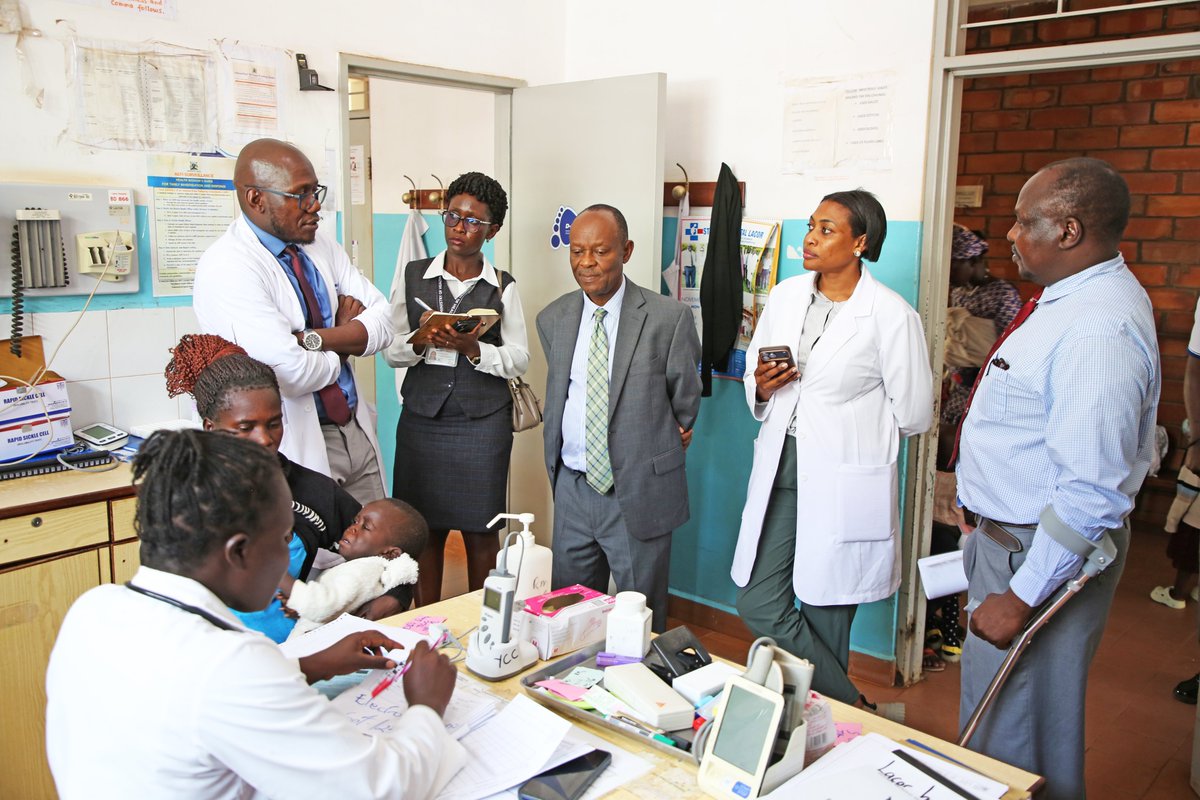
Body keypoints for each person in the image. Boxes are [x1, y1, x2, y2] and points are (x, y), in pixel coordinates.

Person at [45, 430, 463, 798]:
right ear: (239, 551)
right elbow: (379, 786)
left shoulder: (93, 610)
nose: (288, 557)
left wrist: (308, 665)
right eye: (284, 539)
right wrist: (425, 707)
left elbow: (184, 696)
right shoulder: (229, 666)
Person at [955, 158, 1160, 800]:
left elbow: (1092, 491)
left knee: (1011, 737)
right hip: (1010, 541)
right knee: (1014, 723)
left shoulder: (1097, 327)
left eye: (1024, 222)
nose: (1010, 235)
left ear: (1069, 230)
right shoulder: (1069, 298)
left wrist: (1020, 597)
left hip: (1036, 555)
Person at [730, 190, 932, 711]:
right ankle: (855, 707)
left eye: (827, 230)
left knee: (826, 609)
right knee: (759, 601)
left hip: (845, 477)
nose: (811, 239)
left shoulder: (891, 315)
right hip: (782, 464)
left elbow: (914, 413)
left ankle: (825, 726)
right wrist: (764, 384)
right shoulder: (786, 296)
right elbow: (754, 372)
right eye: (811, 226)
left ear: (860, 243)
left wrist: (851, 429)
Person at [165, 334, 409, 635]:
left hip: (290, 650)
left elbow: (393, 553)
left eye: (273, 423)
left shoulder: (313, 492)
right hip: (202, 647)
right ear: (210, 429)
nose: (265, 439)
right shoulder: (186, 493)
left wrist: (394, 597)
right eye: (245, 427)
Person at [194, 137, 392, 505]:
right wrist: (346, 341)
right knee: (318, 541)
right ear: (256, 199)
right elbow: (289, 372)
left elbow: (384, 323)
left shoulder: (320, 245)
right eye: (301, 194)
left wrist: (311, 338)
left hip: (355, 429)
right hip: (299, 440)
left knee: (378, 539)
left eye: (315, 191)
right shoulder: (228, 266)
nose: (315, 205)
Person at [537, 204, 701, 632]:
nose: (586, 263)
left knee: (640, 616)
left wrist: (665, 434)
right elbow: (565, 394)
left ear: (626, 251)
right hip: (573, 488)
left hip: (637, 488)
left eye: (600, 251)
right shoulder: (553, 319)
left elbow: (685, 398)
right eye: (577, 251)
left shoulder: (668, 319)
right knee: (568, 613)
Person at [383, 172, 529, 604]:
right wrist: (419, 342)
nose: (459, 228)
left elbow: (520, 357)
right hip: (422, 422)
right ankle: (425, 619)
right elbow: (390, 349)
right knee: (422, 530)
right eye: (452, 216)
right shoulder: (413, 275)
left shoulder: (502, 286)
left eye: (473, 221)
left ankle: (482, 623)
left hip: (482, 424)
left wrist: (474, 349)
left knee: (481, 531)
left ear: (492, 231)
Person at [929, 225, 1023, 666]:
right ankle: (940, 614)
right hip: (954, 398)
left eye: (955, 264)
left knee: (960, 515)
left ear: (971, 260)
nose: (950, 273)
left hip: (985, 402)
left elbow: (1011, 355)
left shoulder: (1002, 296)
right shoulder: (955, 293)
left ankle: (955, 620)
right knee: (942, 504)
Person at [283, 498, 428, 636]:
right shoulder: (361, 567)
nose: (352, 528)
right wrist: (301, 610)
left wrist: (281, 576)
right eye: (355, 521)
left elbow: (323, 607)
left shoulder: (362, 572)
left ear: (390, 553)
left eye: (366, 527)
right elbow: (335, 607)